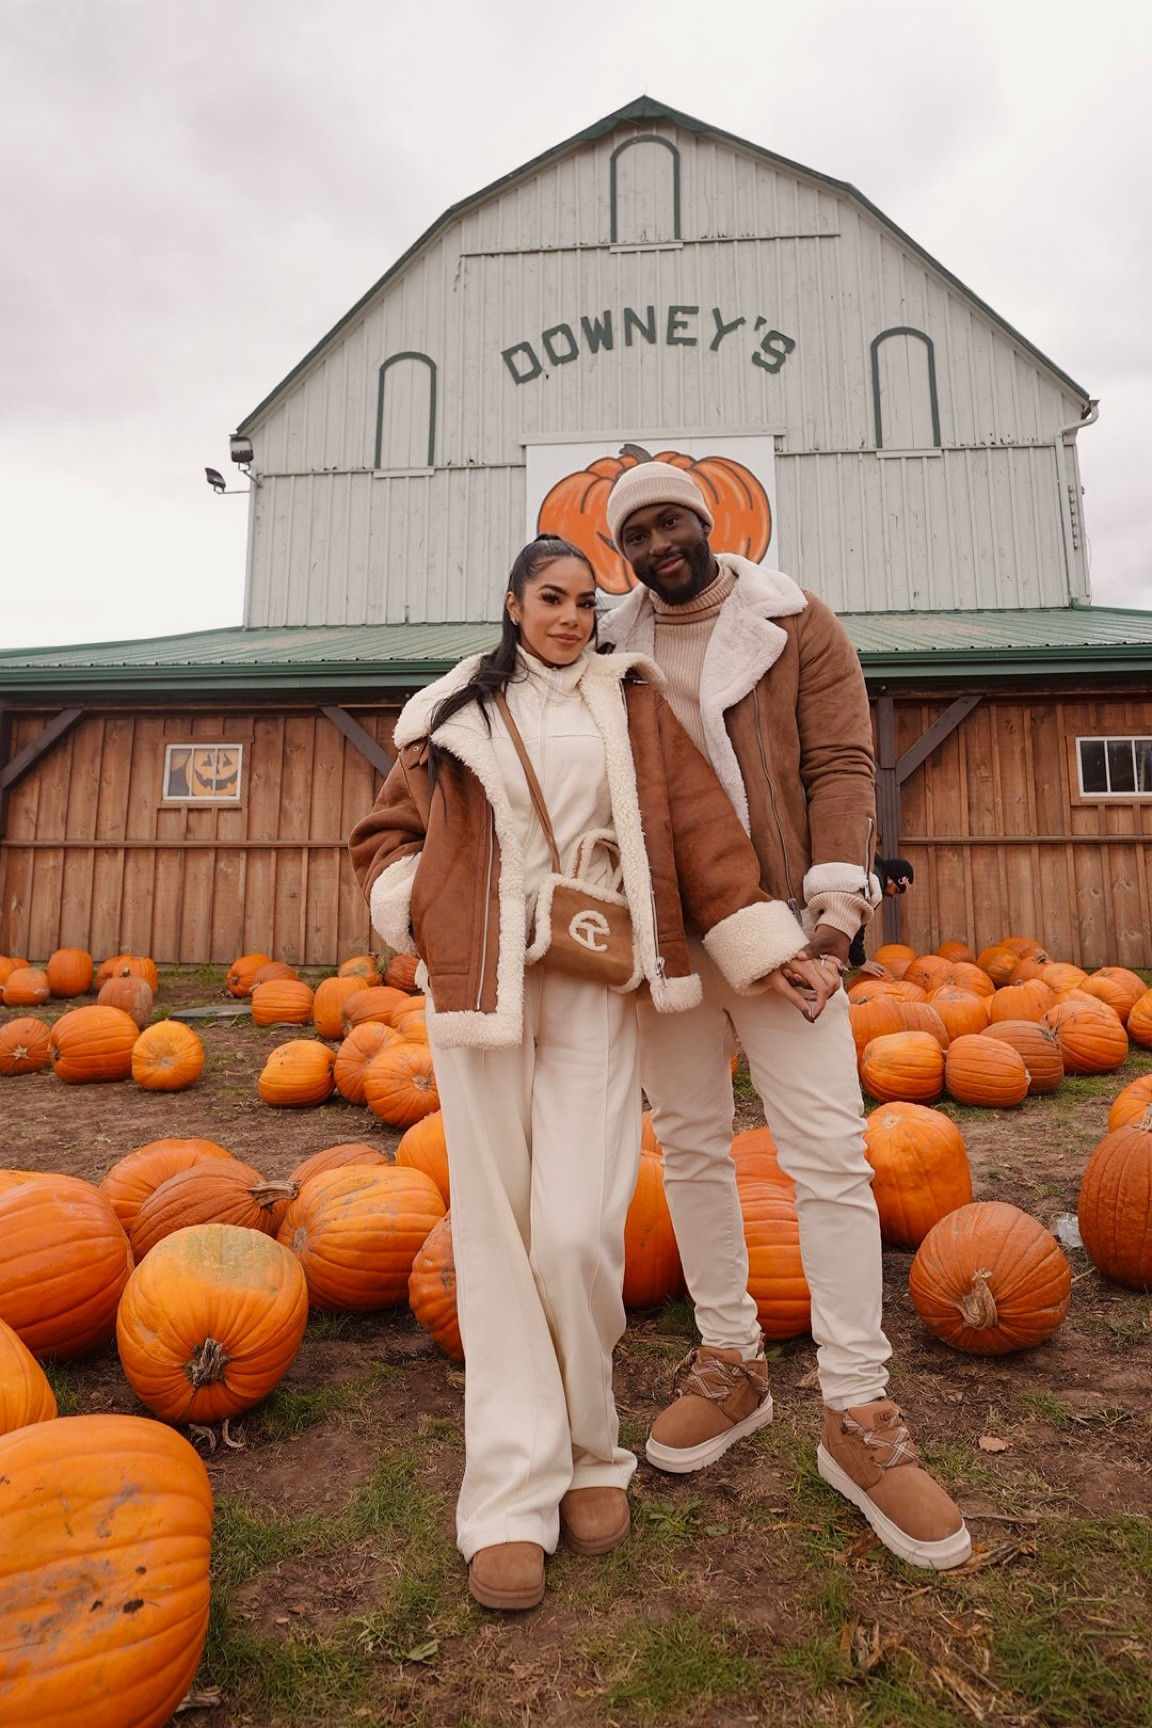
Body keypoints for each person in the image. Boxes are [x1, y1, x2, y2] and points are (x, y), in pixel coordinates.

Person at [348, 535, 838, 1612]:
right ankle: (512, 1495)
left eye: (586, 600)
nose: (573, 616)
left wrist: (770, 945)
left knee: (576, 1233)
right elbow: (382, 838)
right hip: (477, 991)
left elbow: (708, 843)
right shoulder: (450, 715)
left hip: (596, 984)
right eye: (553, 598)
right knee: (495, 1237)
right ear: (515, 603)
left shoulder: (634, 702)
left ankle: (592, 1447)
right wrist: (418, 909)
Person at [598, 463, 971, 1571]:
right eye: (638, 532)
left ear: (707, 524)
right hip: (663, 932)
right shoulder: (606, 638)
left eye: (672, 522)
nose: (658, 543)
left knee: (830, 1155)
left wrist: (833, 912)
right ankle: (732, 1365)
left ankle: (858, 1412)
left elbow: (844, 763)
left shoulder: (795, 620)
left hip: (780, 930)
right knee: (694, 1150)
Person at [848, 857, 916, 973]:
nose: (894, 896)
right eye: (897, 890)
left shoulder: (871, 868)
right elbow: (857, 922)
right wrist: (860, 961)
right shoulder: (875, 885)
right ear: (890, 879)